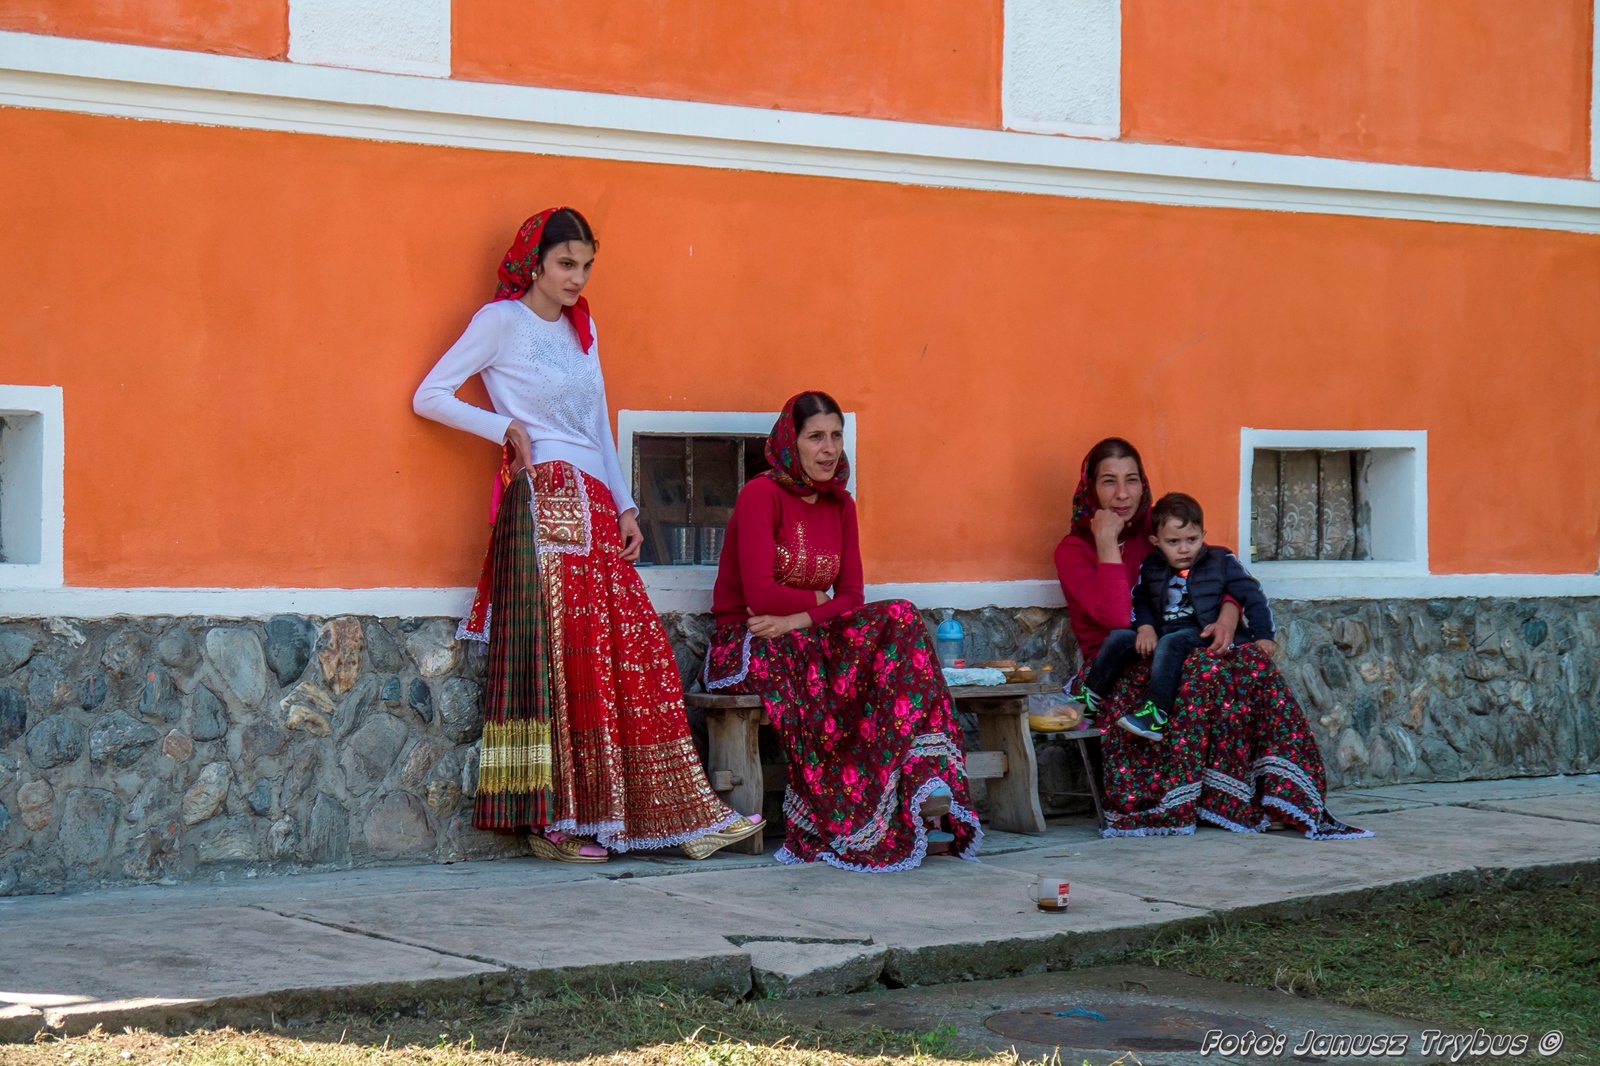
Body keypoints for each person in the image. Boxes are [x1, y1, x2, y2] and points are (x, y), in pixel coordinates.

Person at [413, 207, 761, 862]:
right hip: (546, 503)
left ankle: (669, 815)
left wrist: (628, 506)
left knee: (632, 653)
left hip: (597, 505)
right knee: (563, 661)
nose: (577, 278)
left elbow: (598, 424)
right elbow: (429, 394)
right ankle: (556, 823)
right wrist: (504, 429)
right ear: (535, 264)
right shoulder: (500, 322)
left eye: (586, 265)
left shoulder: (583, 330)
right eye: (566, 264)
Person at [700, 391, 980, 871]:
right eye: (816, 437)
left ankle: (924, 782)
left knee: (902, 615)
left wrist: (800, 617)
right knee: (818, 672)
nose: (828, 449)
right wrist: (816, 603)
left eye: (835, 435)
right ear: (791, 442)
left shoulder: (840, 503)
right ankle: (848, 806)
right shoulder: (761, 495)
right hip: (751, 640)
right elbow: (761, 596)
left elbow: (853, 595)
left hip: (805, 634)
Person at [1055, 438, 1370, 840]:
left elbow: (1217, 574)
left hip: (1183, 640)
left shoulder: (1162, 527)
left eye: (1131, 480)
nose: (1122, 494)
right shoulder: (1073, 551)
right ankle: (1202, 796)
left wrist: (1227, 617)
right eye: (1108, 482)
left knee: (1249, 662)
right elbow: (1119, 617)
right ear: (1090, 489)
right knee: (1206, 674)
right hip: (1119, 662)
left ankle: (1275, 794)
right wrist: (1105, 541)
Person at [1083, 492, 1276, 741]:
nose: (1184, 549)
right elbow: (1140, 600)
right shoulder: (1151, 567)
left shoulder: (1221, 560)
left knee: (1171, 642)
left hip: (1201, 629)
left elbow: (1252, 595)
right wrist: (1145, 627)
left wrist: (1263, 635)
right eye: (1173, 542)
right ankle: (1089, 699)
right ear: (1156, 541)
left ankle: (1155, 713)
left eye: (1192, 539)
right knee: (1118, 638)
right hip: (1162, 628)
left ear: (1203, 535)